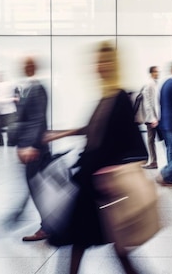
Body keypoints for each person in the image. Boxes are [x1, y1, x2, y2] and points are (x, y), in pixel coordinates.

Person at [43, 41, 148, 274]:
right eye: (99, 61)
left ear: (115, 65)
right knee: (87, 239)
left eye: (107, 61)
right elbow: (92, 130)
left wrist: (109, 172)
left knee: (109, 244)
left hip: (102, 183)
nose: (101, 66)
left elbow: (129, 143)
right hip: (91, 180)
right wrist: (61, 133)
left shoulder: (119, 97)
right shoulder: (105, 97)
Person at [15, 57, 51, 242]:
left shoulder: (36, 88)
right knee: (37, 187)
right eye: (24, 64)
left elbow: (37, 119)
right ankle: (49, 224)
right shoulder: (27, 87)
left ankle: (47, 226)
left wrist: (31, 145)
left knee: (36, 188)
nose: (25, 67)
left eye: (28, 64)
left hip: (35, 148)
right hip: (32, 146)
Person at [141, 66, 160, 169]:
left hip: (156, 117)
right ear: (151, 73)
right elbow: (148, 103)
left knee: (152, 140)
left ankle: (154, 161)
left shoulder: (155, 84)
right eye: (156, 72)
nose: (158, 73)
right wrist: (153, 118)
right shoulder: (150, 84)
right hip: (152, 118)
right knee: (151, 140)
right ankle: (153, 161)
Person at [0, 72, 18, 147]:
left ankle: (9, 142)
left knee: (10, 129)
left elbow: (1, 99)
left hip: (9, 111)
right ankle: (2, 142)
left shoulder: (8, 85)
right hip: (1, 111)